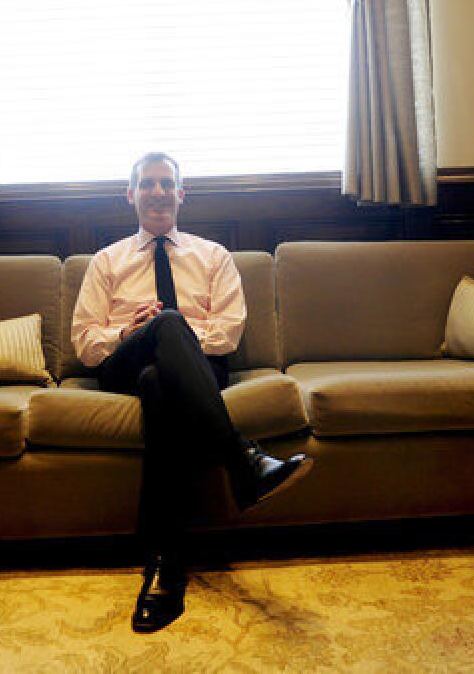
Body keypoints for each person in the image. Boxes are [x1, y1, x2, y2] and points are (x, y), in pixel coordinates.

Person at [71, 152, 314, 633]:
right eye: (148, 184)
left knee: (159, 379)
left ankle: (164, 565)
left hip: (194, 369)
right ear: (131, 194)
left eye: (167, 184)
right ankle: (242, 460)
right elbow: (84, 341)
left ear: (181, 194)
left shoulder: (213, 255)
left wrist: (172, 334)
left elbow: (228, 333)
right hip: (123, 362)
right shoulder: (107, 260)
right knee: (159, 336)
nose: (158, 192)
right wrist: (130, 334)